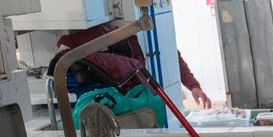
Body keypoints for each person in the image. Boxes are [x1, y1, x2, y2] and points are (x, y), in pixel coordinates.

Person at [56, 19, 213, 108]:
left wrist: (193, 86)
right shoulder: (84, 38)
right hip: (123, 105)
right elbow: (64, 49)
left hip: (145, 99)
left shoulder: (135, 31)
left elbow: (172, 54)